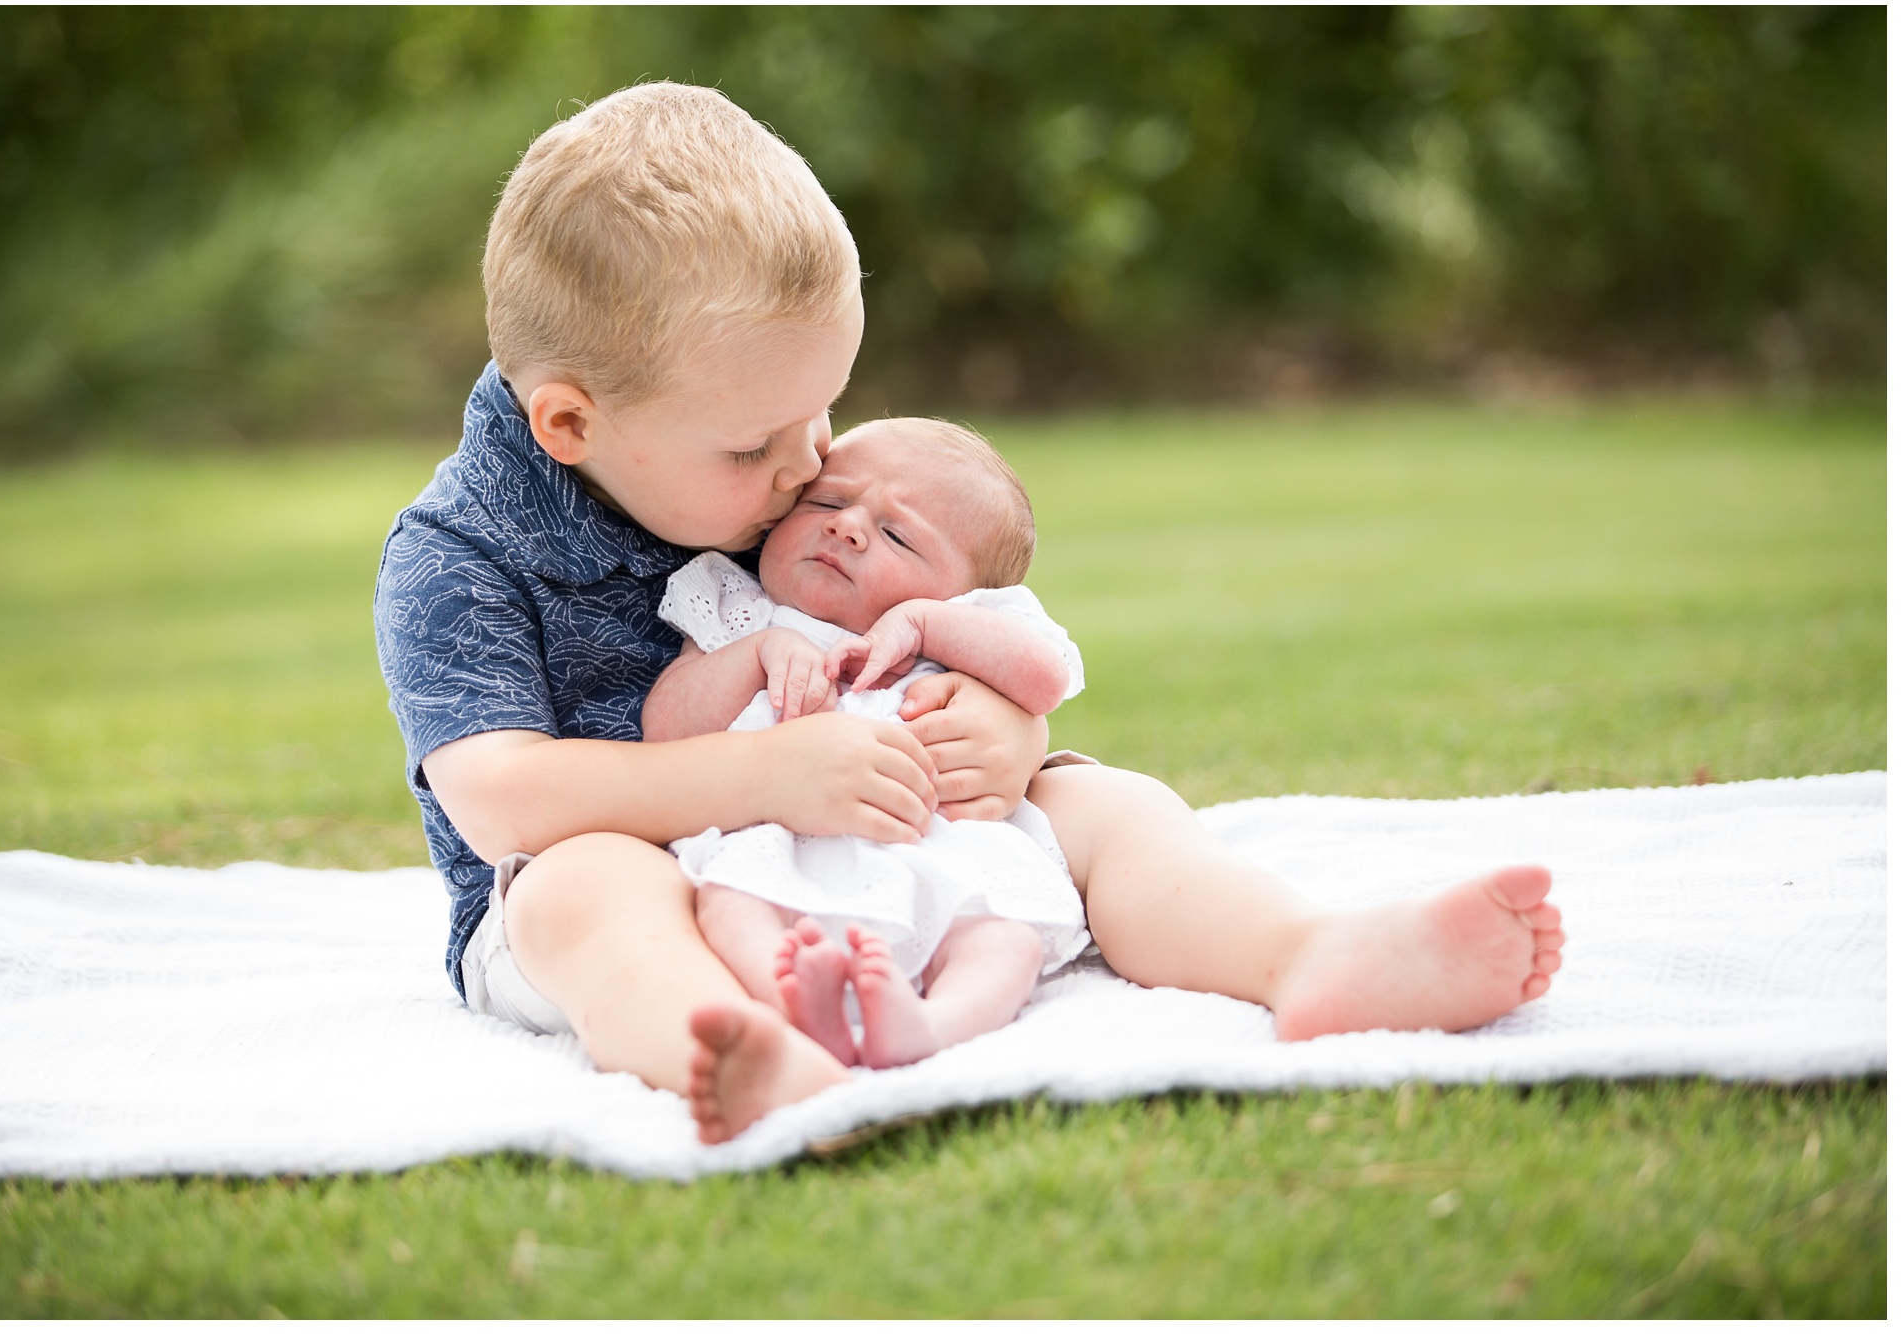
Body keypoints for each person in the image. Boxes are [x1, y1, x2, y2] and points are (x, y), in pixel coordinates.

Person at [374, 82, 1566, 1147]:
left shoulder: (750, 459)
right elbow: (503, 799)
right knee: (588, 886)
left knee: (1106, 802)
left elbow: (932, 614)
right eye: (758, 445)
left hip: (879, 828)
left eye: (824, 412)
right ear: (571, 426)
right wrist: (771, 776)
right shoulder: (459, 553)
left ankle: (1307, 954)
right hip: (623, 880)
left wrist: (1004, 733)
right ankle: (734, 1041)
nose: (807, 471)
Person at [644, 417, 1093, 1074]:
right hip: (775, 839)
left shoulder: (959, 623)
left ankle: (932, 1025)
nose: (848, 525)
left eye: (896, 534)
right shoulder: (741, 605)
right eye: (826, 501)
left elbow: (1046, 678)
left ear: (964, 590)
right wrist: (756, 653)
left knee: (1003, 935)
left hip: (934, 842)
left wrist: (925, 623)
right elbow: (666, 726)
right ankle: (790, 1006)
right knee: (727, 903)